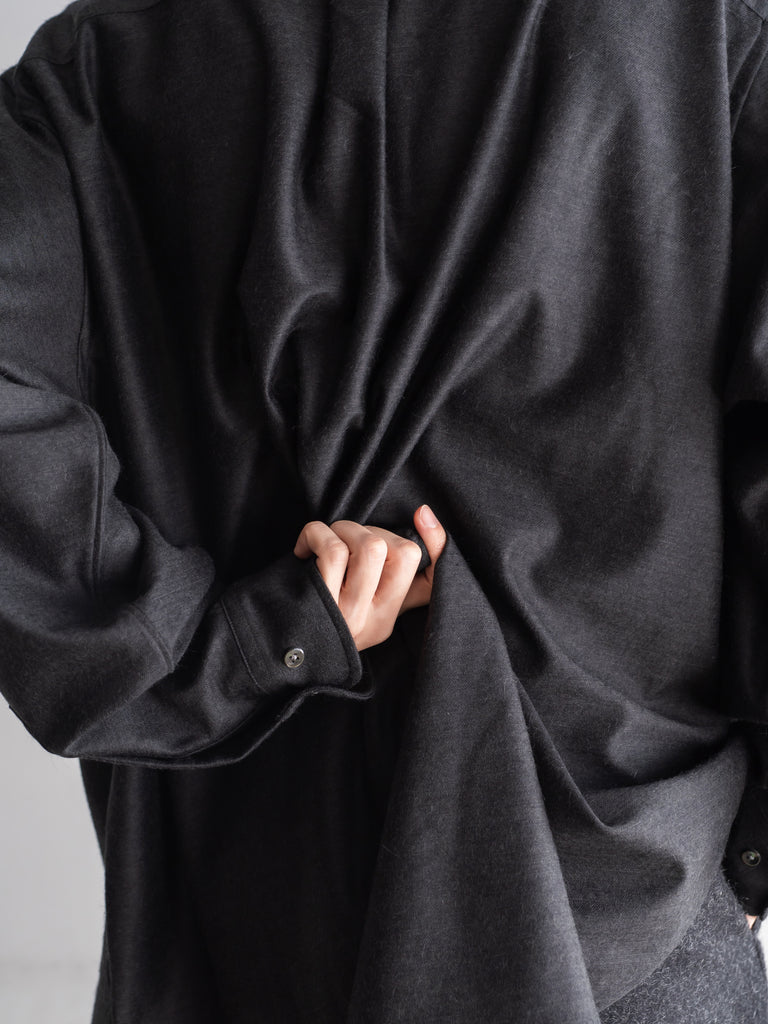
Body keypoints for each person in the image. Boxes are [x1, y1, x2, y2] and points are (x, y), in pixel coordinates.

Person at [2, 0, 768, 1020]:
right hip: (627, 895)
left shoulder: (106, 57)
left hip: (249, 911)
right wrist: (748, 847)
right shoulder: (698, 30)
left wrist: (233, 650)